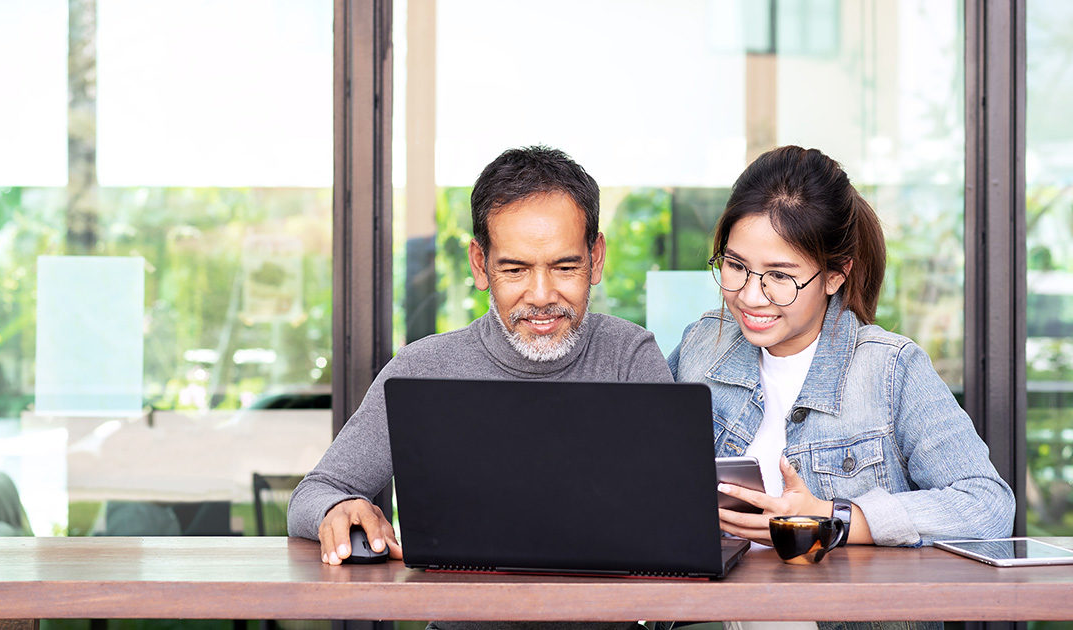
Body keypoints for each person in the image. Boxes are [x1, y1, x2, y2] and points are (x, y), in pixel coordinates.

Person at [287, 146, 671, 629]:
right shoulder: (423, 368)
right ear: (479, 264)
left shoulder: (630, 357)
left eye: (564, 266)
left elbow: (673, 518)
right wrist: (340, 506)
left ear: (595, 259)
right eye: (514, 270)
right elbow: (314, 492)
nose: (541, 295)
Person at [668, 145, 1014, 551]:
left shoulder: (890, 370)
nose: (750, 296)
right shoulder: (701, 344)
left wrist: (832, 519)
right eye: (736, 266)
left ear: (835, 275)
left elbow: (987, 505)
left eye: (779, 276)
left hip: (837, 595)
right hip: (721, 590)